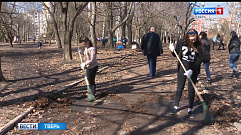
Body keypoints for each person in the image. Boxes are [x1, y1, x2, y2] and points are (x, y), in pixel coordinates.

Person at [169, 29, 203, 118]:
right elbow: (176, 54)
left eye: (194, 39)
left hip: (193, 70)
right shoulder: (181, 42)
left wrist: (192, 70)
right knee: (179, 88)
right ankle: (176, 106)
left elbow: (200, 59)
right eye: (191, 39)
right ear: (187, 37)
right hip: (182, 68)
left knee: (191, 89)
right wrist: (172, 50)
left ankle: (190, 109)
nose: (193, 40)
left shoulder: (199, 44)